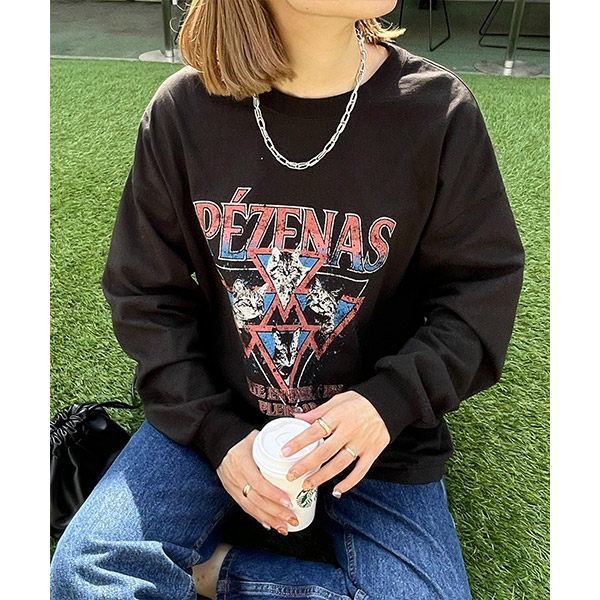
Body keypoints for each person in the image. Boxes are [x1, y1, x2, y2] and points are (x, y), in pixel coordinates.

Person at [50, 1, 525, 598]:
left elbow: (481, 287)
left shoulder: (436, 111)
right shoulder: (184, 111)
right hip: (219, 407)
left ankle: (213, 571)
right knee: (88, 569)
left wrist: (388, 402)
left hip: (377, 436)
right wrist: (216, 432)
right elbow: (144, 292)